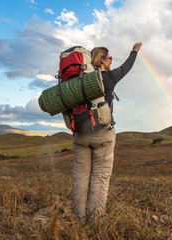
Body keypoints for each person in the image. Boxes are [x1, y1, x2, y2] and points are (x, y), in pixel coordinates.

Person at [71, 42, 143, 221]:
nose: (111, 61)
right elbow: (126, 67)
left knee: (80, 177)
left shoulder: (78, 81)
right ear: (102, 61)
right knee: (100, 177)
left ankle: (78, 219)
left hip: (80, 134)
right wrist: (134, 52)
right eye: (109, 58)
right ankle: (95, 220)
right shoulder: (109, 77)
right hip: (102, 133)